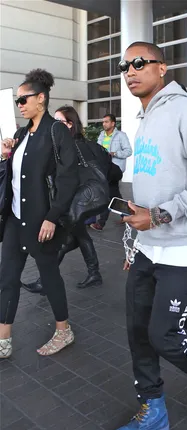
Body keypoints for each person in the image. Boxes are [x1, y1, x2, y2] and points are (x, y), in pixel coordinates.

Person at [110, 42, 187, 430]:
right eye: (125, 65)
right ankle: (153, 410)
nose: (130, 71)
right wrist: (137, 230)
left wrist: (158, 215)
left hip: (184, 247)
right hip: (148, 245)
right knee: (137, 334)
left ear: (162, 67)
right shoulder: (144, 120)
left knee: (165, 335)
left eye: (139, 63)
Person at [0, 69, 79, 358]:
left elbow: (68, 178)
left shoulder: (56, 131)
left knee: (49, 276)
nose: (19, 104)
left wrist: (52, 215)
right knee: (6, 277)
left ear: (41, 98)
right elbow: (14, 177)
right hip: (14, 218)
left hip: (41, 220)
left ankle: (63, 330)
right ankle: (3, 340)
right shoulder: (21, 134)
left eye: (24, 99)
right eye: (17, 100)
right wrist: (6, 154)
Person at [21, 105, 121, 295]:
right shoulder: (90, 145)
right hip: (84, 202)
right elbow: (115, 172)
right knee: (78, 236)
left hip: (75, 202)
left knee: (66, 239)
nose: (54, 126)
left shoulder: (69, 148)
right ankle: (93, 273)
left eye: (59, 122)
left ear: (70, 124)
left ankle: (45, 280)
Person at [91, 114, 132, 231]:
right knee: (114, 194)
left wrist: (115, 153)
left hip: (115, 170)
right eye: (103, 122)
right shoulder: (101, 135)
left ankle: (101, 223)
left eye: (106, 122)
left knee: (108, 195)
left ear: (113, 123)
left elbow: (128, 151)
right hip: (104, 169)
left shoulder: (121, 136)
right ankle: (127, 214)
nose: (104, 124)